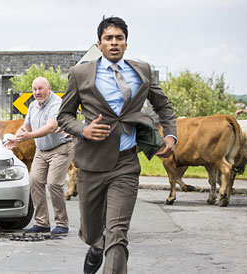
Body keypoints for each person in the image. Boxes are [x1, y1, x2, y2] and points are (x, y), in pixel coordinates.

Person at [57, 17, 177, 274]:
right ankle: (95, 246)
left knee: (118, 233)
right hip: (90, 164)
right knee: (92, 232)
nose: (114, 43)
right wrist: (83, 129)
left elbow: (163, 106)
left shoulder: (142, 70)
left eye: (119, 38)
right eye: (108, 38)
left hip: (126, 162)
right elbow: (64, 116)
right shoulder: (80, 74)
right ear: (99, 43)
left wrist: (170, 135)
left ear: (125, 43)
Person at [4, 77, 74, 236]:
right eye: (34, 89)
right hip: (42, 150)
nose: (37, 92)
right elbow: (26, 126)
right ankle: (42, 223)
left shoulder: (56, 103)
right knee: (34, 181)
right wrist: (15, 138)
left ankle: (62, 224)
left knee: (54, 184)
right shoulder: (33, 106)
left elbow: (50, 127)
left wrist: (28, 136)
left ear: (48, 88)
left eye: (40, 88)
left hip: (60, 148)